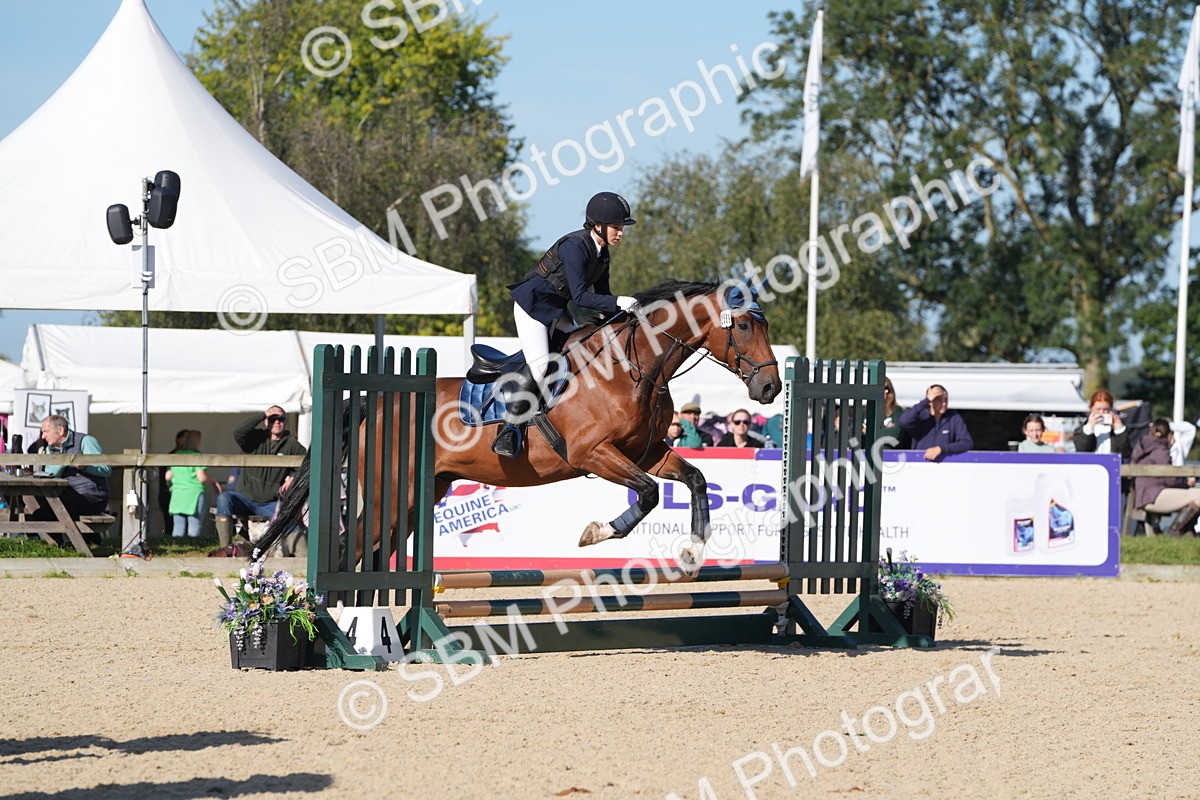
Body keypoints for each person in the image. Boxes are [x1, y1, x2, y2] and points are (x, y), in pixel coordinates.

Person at [492, 191, 640, 459]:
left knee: (578, 350)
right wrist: (620, 301)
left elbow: (602, 298)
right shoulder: (575, 247)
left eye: (621, 228)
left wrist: (624, 318)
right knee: (540, 366)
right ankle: (509, 429)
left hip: (555, 307)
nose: (620, 233)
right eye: (616, 228)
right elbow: (583, 296)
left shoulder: (602, 253)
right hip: (533, 305)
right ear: (598, 226)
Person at [215, 406, 306, 548]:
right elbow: (237, 432)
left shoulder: (292, 444)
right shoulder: (255, 438)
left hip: (269, 503)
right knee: (223, 498)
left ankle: (301, 559)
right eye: (272, 418)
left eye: (280, 419)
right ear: (265, 421)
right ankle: (226, 548)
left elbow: (306, 462)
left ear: (285, 422)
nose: (277, 422)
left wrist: (293, 476)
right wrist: (262, 414)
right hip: (244, 498)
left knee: (288, 516)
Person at [27, 414, 111, 522]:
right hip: (68, 496)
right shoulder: (50, 449)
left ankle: (75, 538)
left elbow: (106, 469)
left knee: (58, 507)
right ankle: (75, 538)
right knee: (40, 514)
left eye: (46, 431)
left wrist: (87, 467)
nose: (42, 436)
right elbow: (49, 473)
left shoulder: (85, 441)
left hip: (93, 497)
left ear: (60, 430)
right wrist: (64, 461)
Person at [1131, 418, 1200, 536]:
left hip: (1144, 495)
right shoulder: (1161, 450)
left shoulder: (1144, 446)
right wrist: (1185, 482)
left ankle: (1184, 531)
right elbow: (1170, 479)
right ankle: (1175, 532)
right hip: (1153, 496)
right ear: (1170, 435)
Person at [164, 430, 218, 538]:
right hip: (194, 493)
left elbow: (168, 476)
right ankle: (194, 548)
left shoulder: (175, 456)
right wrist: (213, 481)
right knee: (194, 525)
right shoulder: (197, 456)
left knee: (178, 527)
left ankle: (176, 549)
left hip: (178, 493)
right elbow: (201, 477)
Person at [899, 384, 973, 461]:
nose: (944, 403)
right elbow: (903, 421)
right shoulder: (921, 417)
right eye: (939, 399)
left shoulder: (953, 417)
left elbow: (966, 443)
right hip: (920, 464)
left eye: (945, 399)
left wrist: (941, 449)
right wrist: (926, 400)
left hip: (945, 466)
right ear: (930, 402)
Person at [1072, 389, 1130, 458]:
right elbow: (1082, 451)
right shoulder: (1081, 430)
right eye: (1098, 409)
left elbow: (1126, 453)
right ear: (1091, 408)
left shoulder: (1119, 431)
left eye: (1106, 409)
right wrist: (1089, 427)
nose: (1102, 412)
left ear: (1111, 409)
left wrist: (1118, 428)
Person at [879, 378, 909, 449]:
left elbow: (895, 435)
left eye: (886, 388)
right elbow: (857, 436)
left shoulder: (898, 412)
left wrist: (869, 432)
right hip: (864, 456)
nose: (884, 391)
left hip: (891, 456)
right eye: (879, 388)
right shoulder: (864, 411)